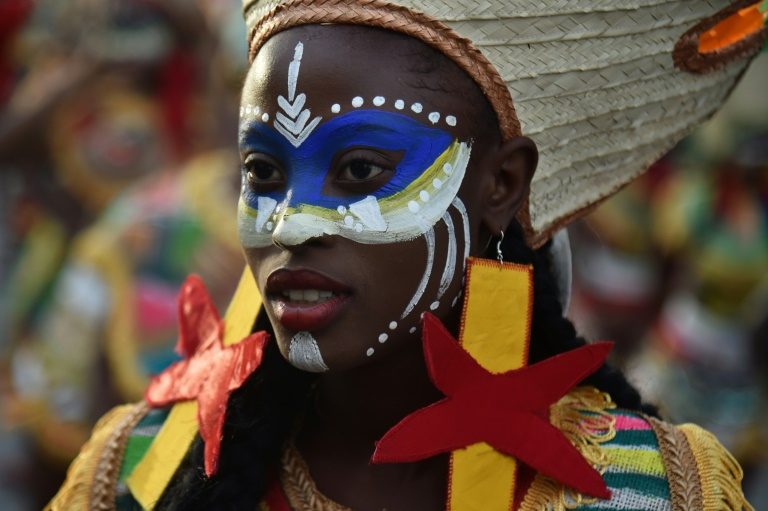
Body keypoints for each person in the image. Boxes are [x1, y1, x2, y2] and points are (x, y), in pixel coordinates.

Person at [47, 0, 764, 509]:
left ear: (501, 184)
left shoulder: (645, 491)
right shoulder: (137, 475)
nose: (292, 223)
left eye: (359, 170)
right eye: (263, 174)